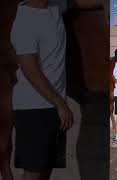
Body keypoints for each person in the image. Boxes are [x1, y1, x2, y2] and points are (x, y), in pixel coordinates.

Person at [10, 0, 73, 179]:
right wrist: (60, 103)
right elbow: (30, 70)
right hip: (33, 108)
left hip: (53, 107)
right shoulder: (24, 21)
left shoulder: (55, 5)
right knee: (33, 174)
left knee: (45, 172)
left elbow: (79, 3)